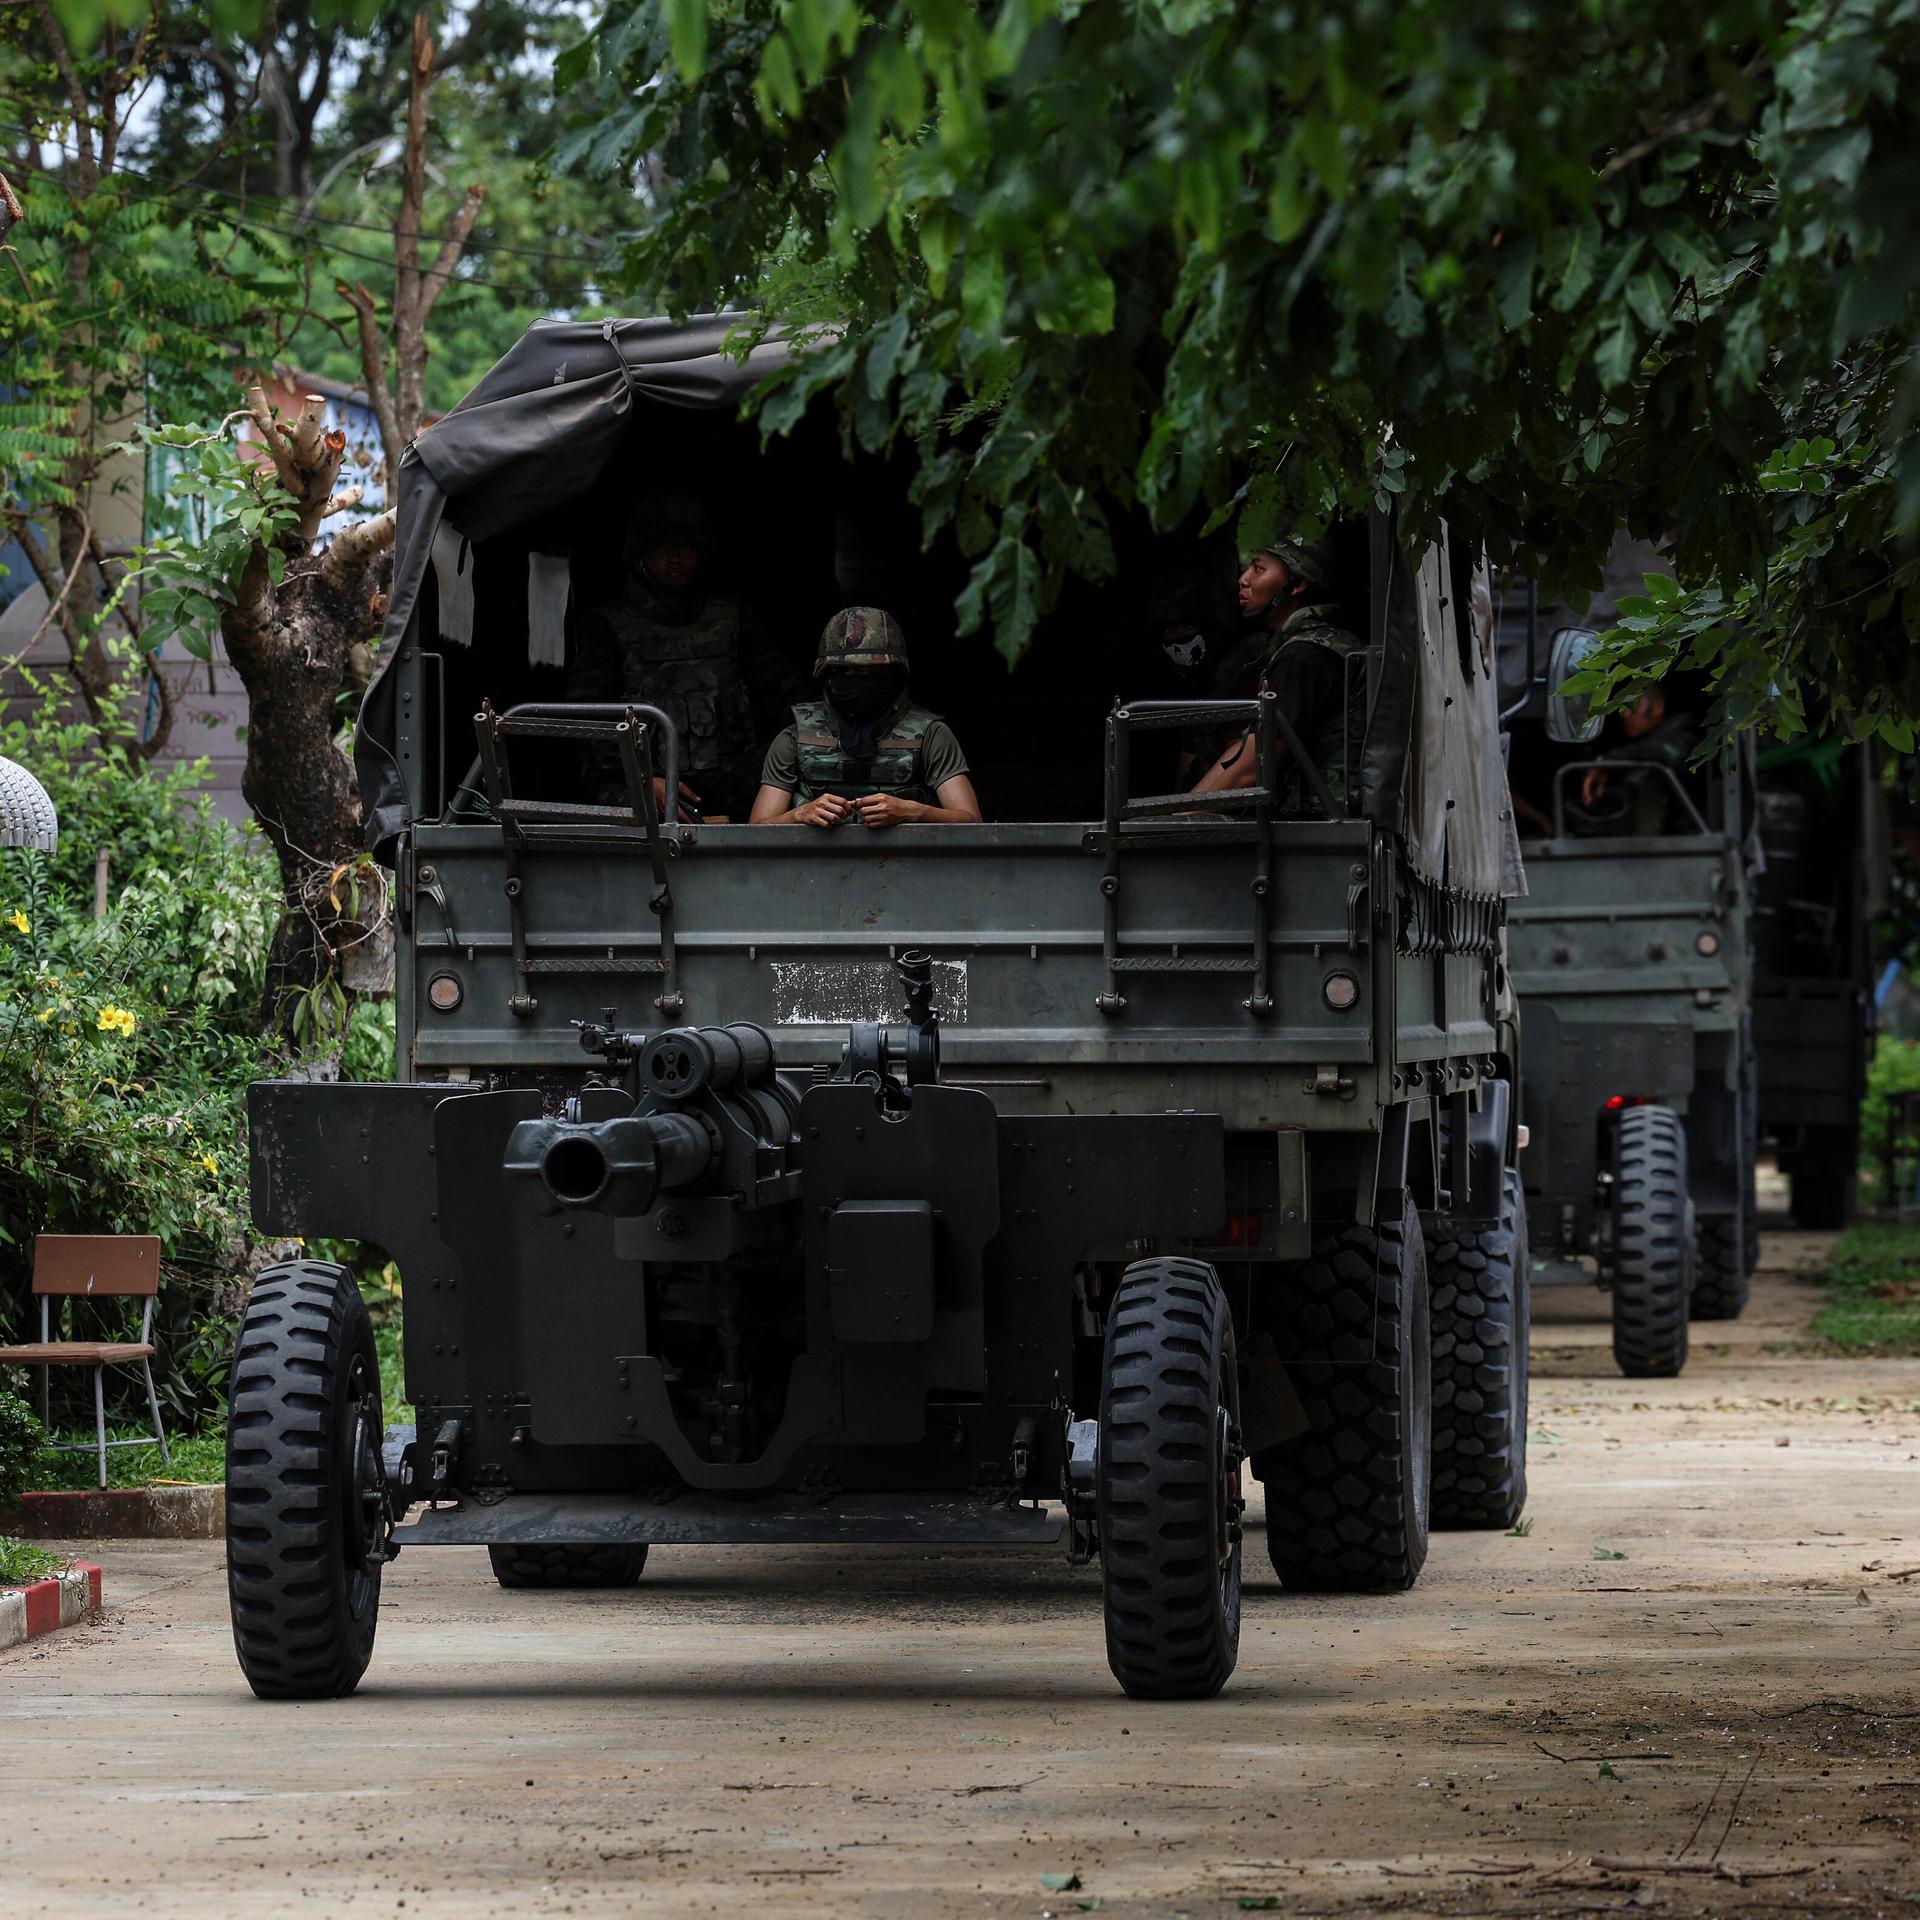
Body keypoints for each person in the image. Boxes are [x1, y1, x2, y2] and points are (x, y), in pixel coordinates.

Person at [565, 492, 804, 819]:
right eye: (661, 547)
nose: (674, 558)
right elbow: (589, 720)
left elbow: (784, 693)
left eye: (685, 547)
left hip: (727, 778)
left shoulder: (732, 619)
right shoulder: (607, 626)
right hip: (642, 780)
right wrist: (643, 778)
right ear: (640, 554)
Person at [750, 607, 982, 828]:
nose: (864, 682)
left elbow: (972, 823)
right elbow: (754, 831)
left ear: (895, 675)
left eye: (877, 673)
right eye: (851, 672)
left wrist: (913, 812)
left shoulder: (930, 734)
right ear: (829, 676)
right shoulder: (795, 737)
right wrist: (799, 815)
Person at [1188, 532, 1366, 814]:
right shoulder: (1305, 647)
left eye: (1258, 569)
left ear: (1297, 584)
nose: (1243, 579)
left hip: (1318, 831)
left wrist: (1174, 825)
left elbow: (1250, 770)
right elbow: (1243, 754)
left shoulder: (1305, 656)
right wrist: (1179, 815)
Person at [1577, 686, 1699, 834]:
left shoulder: (1681, 734)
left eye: (1633, 704)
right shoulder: (1638, 747)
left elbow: (1668, 751)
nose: (1625, 714)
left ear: (1658, 706)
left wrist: (1606, 761)